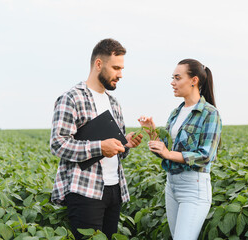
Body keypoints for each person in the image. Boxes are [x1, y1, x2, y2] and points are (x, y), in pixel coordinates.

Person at [50, 38, 143, 240]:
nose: (120, 74)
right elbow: (58, 144)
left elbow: (117, 152)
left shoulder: (114, 103)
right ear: (98, 64)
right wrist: (100, 147)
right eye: (116, 68)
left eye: (122, 69)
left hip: (113, 189)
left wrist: (125, 145)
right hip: (85, 190)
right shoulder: (72, 98)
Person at [138, 59, 222, 240]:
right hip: (172, 185)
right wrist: (151, 131)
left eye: (177, 78)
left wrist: (168, 153)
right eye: (172, 78)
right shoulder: (176, 113)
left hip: (194, 186)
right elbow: (166, 150)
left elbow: (206, 155)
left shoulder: (209, 113)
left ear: (194, 80)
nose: (172, 82)